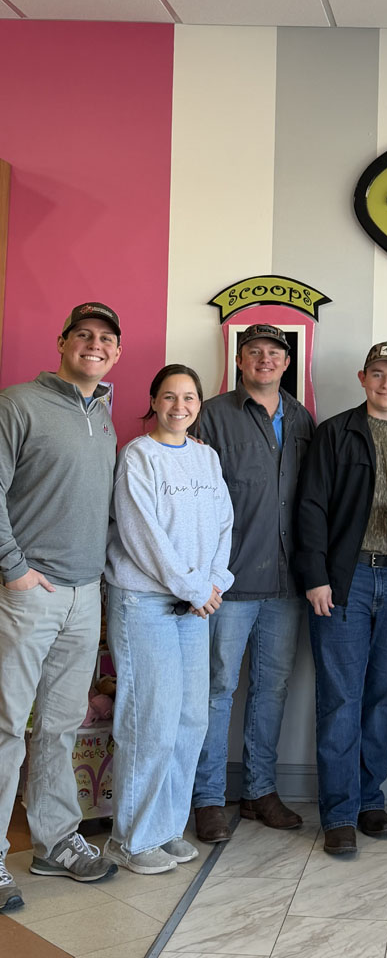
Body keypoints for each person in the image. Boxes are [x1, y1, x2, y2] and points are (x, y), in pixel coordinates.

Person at [0, 303, 122, 913]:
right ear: (62, 342)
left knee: (59, 726)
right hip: (30, 595)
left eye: (105, 339)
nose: (94, 345)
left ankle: (54, 842)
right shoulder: (18, 404)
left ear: (116, 353)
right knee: (6, 725)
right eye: (84, 335)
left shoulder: (105, 416)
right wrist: (14, 570)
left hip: (84, 596)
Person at [297, 341, 387, 857]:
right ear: (362, 378)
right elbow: (310, 507)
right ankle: (339, 812)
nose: (386, 383)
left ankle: (371, 799)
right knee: (340, 700)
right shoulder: (335, 432)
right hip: (342, 582)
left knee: (381, 700)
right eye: (377, 373)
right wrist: (316, 576)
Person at [105, 365, 234, 874]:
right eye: (169, 397)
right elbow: (142, 536)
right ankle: (131, 840)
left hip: (196, 605)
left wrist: (215, 582)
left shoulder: (206, 457)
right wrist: (194, 588)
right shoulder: (138, 456)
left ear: (199, 404)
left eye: (189, 398)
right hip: (146, 605)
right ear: (154, 402)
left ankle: (166, 828)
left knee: (190, 720)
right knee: (150, 722)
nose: (179, 406)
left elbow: (224, 524)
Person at [191, 323, 315, 843]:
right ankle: (207, 798)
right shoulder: (211, 414)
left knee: (272, 689)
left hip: (287, 583)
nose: (265, 359)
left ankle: (260, 790)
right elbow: (192, 498)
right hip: (229, 582)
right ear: (239, 360)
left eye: (274, 352)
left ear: (287, 362)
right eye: (254, 351)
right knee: (217, 688)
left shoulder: (303, 419)